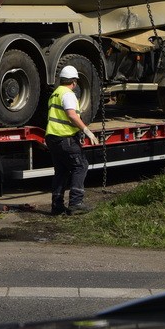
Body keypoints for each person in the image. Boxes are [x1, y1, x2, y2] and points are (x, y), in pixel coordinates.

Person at [44, 65, 99, 216]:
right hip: (65, 137)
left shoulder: (55, 93)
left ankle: (57, 205)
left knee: (61, 170)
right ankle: (76, 203)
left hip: (52, 137)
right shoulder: (68, 94)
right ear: (74, 82)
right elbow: (72, 115)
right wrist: (86, 130)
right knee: (80, 166)